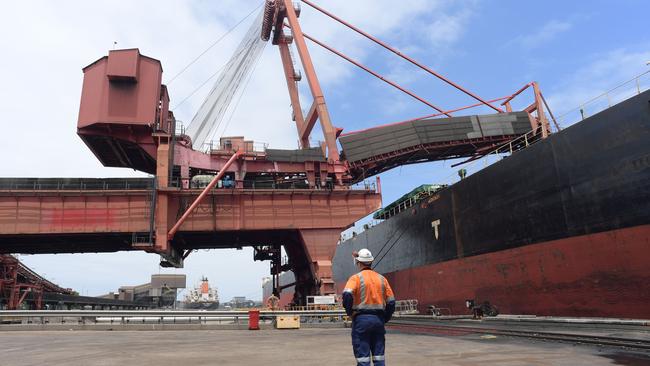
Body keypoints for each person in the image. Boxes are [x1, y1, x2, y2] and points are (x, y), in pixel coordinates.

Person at [342, 249, 396, 366]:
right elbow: (391, 302)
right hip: (378, 320)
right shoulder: (382, 279)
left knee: (363, 359)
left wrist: (350, 312)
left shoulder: (355, 278)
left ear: (359, 262)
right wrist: (385, 318)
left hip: (361, 320)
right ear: (371, 262)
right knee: (379, 356)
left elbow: (347, 294)